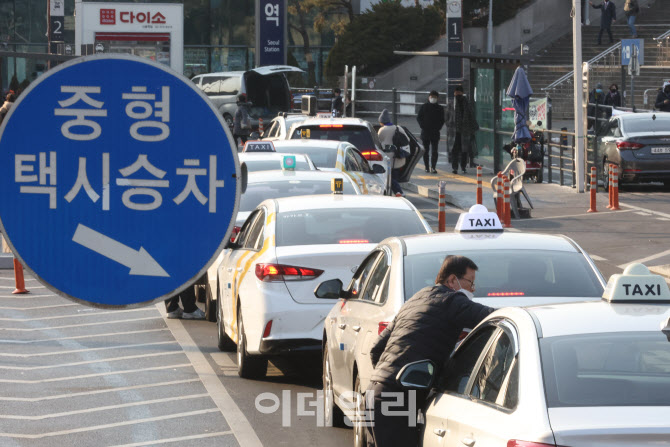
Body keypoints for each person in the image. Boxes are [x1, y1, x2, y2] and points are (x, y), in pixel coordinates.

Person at [365, 255, 494, 447]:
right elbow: (493, 317)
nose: (472, 290)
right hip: (398, 399)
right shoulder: (452, 302)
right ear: (452, 280)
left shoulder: (415, 299)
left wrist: (389, 378)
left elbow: (376, 350)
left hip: (373, 393)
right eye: (470, 283)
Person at [446, 86, 479, 175]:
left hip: (465, 131)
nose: (457, 94)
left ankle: (463, 167)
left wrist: (472, 128)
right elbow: (447, 117)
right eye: (456, 93)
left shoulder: (467, 103)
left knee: (464, 151)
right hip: (454, 132)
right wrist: (449, 125)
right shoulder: (451, 104)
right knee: (454, 150)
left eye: (459, 92)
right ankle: (455, 167)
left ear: (462, 93)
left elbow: (471, 116)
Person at [377, 109, 409, 197]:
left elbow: (377, 142)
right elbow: (408, 140)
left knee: (389, 178)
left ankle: (399, 192)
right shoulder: (398, 128)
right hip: (398, 157)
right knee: (394, 177)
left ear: (382, 121)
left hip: (387, 158)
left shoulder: (382, 130)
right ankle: (397, 192)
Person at [417, 90, 445, 174]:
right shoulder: (424, 107)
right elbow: (419, 118)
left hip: (435, 132)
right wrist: (423, 126)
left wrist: (438, 128)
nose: (433, 99)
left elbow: (442, 120)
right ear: (429, 97)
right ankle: (426, 167)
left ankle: (433, 167)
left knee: (434, 151)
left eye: (435, 97)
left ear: (437, 98)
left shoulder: (440, 108)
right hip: (425, 132)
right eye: (431, 97)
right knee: (426, 150)